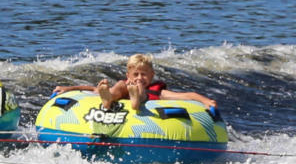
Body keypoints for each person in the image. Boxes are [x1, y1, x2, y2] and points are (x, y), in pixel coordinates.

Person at [54, 53, 216, 110]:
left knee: (139, 89)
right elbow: (90, 89)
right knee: (119, 86)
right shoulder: (125, 83)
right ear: (128, 74)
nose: (140, 78)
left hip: (142, 98)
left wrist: (206, 101)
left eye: (144, 75)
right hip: (121, 92)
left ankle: (136, 100)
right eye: (136, 74)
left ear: (152, 75)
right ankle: (108, 98)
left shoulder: (158, 92)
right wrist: (69, 88)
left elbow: (186, 95)